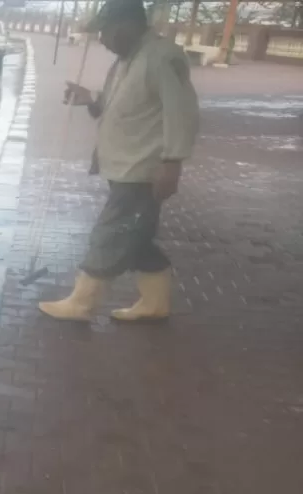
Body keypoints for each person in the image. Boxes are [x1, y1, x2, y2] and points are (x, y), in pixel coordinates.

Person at [38, 0, 198, 322]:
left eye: (105, 31)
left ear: (126, 25)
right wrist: (90, 99)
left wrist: (172, 162)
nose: (102, 39)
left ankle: (82, 302)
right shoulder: (126, 60)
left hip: (143, 168)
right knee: (135, 236)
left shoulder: (162, 57)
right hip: (123, 163)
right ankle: (155, 303)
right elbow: (117, 105)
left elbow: (181, 112)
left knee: (110, 233)